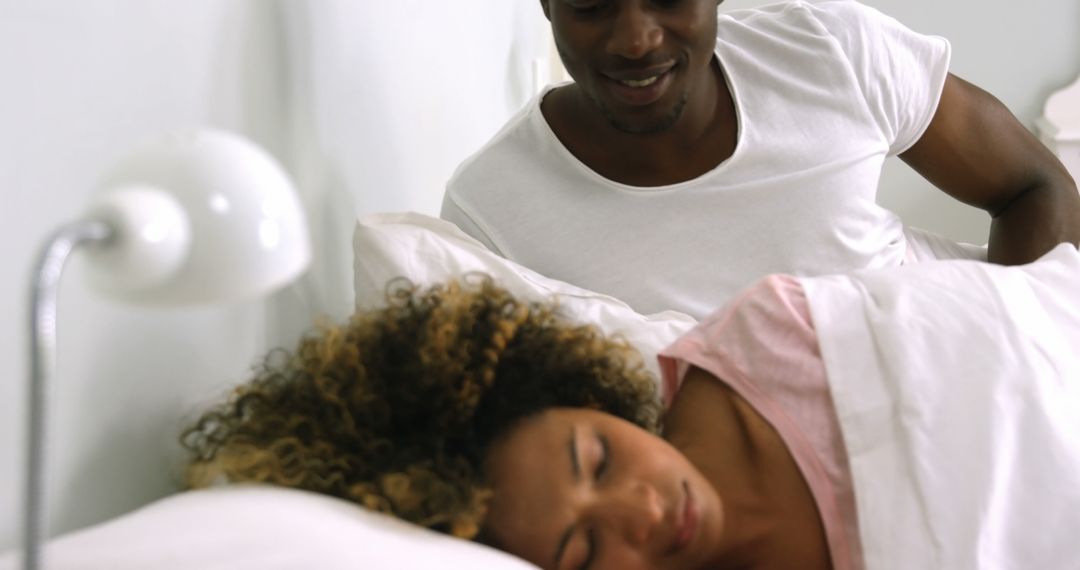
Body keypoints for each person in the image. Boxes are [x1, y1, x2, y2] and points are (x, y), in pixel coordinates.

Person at [182, 256, 1080, 569]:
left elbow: (1023, 338)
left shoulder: (782, 336)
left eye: (599, 460)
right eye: (582, 554)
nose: (645, 515)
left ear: (585, 396)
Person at [441, 0, 1080, 319]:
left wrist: (1018, 356)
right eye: (591, 4)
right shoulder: (490, 213)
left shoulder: (832, 50)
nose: (636, 39)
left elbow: (1035, 185)